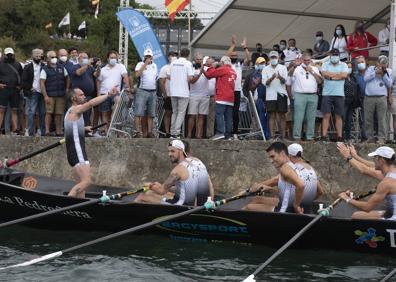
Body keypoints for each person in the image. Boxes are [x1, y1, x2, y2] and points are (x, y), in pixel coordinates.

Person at [65, 87, 119, 198]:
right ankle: (64, 206)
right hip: (77, 151)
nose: (84, 96)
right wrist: (108, 95)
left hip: (72, 153)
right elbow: (91, 103)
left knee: (81, 188)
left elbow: (70, 126)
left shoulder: (69, 112)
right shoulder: (76, 109)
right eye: (81, 95)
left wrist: (83, 128)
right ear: (73, 98)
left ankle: (79, 211)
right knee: (87, 182)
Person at [245, 142, 308, 214]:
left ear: (282, 154)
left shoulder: (285, 168)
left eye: (272, 156)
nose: (271, 161)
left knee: (248, 207)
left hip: (286, 209)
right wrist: (249, 190)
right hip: (289, 203)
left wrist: (296, 205)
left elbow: (300, 186)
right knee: (257, 199)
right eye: (270, 157)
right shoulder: (295, 166)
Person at [337, 144, 396, 220]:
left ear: (382, 160)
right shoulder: (391, 173)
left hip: (393, 219)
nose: (374, 160)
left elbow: (367, 207)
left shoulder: (386, 182)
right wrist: (355, 156)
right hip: (391, 213)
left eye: (375, 158)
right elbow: (368, 167)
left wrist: (347, 198)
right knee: (357, 214)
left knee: (356, 216)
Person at [134, 140, 198, 205]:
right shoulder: (197, 164)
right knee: (150, 193)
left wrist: (153, 186)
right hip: (191, 200)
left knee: (142, 196)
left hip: (185, 204)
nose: (170, 154)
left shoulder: (180, 168)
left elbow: (161, 191)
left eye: (173, 151)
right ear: (190, 150)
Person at [290, 53, 322, 141]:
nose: (307, 62)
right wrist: (294, 66)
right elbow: (289, 75)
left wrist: (311, 71)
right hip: (300, 95)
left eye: (308, 60)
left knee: (311, 117)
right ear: (302, 60)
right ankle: (297, 137)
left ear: (311, 60)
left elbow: (319, 81)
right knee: (298, 117)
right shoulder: (297, 69)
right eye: (305, 60)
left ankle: (310, 137)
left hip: (313, 95)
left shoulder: (315, 68)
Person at [96, 50, 130, 134]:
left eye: (115, 57)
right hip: (104, 93)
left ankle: (117, 129)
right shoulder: (103, 69)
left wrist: (127, 86)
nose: (113, 59)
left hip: (116, 93)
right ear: (108, 59)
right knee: (105, 113)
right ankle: (107, 132)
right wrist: (98, 94)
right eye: (111, 57)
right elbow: (98, 82)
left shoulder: (120, 66)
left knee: (118, 104)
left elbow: (125, 77)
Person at [203, 56, 236, 140]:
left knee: (219, 114)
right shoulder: (233, 71)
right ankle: (228, 134)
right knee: (228, 117)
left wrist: (212, 66)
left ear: (222, 62)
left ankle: (220, 132)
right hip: (231, 97)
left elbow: (210, 74)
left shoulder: (223, 69)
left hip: (222, 96)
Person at [320, 48, 348, 141]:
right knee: (326, 115)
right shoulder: (325, 64)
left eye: (336, 55)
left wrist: (331, 77)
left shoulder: (344, 64)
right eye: (333, 55)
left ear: (339, 55)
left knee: (338, 116)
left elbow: (344, 75)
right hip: (327, 93)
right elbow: (324, 74)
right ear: (330, 56)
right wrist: (337, 75)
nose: (334, 57)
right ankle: (324, 136)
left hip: (339, 94)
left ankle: (339, 136)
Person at [364, 55, 393, 143]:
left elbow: (390, 84)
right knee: (368, 118)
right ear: (377, 63)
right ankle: (369, 137)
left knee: (382, 118)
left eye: (384, 64)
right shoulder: (370, 69)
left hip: (382, 98)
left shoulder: (389, 71)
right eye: (380, 63)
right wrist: (375, 73)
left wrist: (383, 74)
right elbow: (365, 79)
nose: (381, 66)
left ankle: (381, 138)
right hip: (369, 97)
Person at [227, 35, 251, 139]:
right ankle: (227, 132)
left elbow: (249, 59)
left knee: (235, 113)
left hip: (236, 91)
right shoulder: (227, 64)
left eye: (235, 55)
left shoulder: (239, 64)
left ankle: (235, 132)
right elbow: (227, 55)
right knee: (227, 112)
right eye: (232, 56)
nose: (234, 57)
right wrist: (233, 45)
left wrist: (245, 47)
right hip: (228, 91)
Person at [40, 50, 69, 136]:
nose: (54, 58)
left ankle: (58, 131)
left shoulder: (61, 67)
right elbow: (42, 83)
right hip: (50, 95)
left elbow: (67, 77)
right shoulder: (45, 69)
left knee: (59, 114)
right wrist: (45, 96)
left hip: (60, 95)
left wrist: (67, 88)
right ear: (48, 58)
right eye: (52, 57)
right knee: (49, 113)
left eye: (55, 57)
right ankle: (47, 131)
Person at [262, 51, 288, 140]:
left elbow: (285, 81)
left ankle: (283, 136)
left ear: (278, 58)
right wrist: (271, 78)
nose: (274, 59)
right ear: (270, 59)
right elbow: (265, 83)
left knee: (282, 116)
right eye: (272, 57)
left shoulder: (283, 68)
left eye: (275, 57)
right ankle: (272, 136)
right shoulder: (265, 69)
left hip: (281, 94)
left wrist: (280, 77)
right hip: (270, 95)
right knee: (272, 115)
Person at [168, 48, 194, 138]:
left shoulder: (173, 63)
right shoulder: (188, 63)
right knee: (181, 113)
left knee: (174, 112)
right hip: (183, 92)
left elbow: (168, 75)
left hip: (173, 91)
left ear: (180, 54)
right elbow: (190, 78)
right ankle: (176, 132)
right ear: (188, 55)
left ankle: (172, 132)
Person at [70, 52, 99, 126]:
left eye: (87, 58)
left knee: (88, 114)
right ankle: (80, 128)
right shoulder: (75, 66)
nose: (86, 59)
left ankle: (87, 129)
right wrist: (87, 65)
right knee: (80, 113)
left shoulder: (90, 67)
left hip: (88, 95)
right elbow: (79, 72)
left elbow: (96, 74)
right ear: (79, 59)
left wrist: (98, 68)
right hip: (78, 96)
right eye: (84, 58)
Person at [21, 48, 46, 136]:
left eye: (40, 56)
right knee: (31, 112)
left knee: (43, 112)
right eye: (36, 56)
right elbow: (23, 80)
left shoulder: (44, 66)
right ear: (32, 56)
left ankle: (42, 131)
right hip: (33, 92)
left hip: (42, 92)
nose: (38, 57)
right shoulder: (28, 66)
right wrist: (29, 88)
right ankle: (29, 130)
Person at [134, 48, 158, 138]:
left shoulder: (155, 65)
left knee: (151, 113)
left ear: (152, 56)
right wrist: (145, 64)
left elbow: (155, 78)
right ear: (144, 56)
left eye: (150, 56)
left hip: (152, 91)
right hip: (142, 90)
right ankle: (138, 131)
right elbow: (137, 75)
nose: (148, 58)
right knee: (139, 112)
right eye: (146, 56)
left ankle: (149, 132)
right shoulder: (139, 64)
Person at [182, 140, 214, 205]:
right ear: (190, 150)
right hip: (204, 200)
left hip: (196, 204)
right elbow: (210, 184)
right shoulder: (198, 161)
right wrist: (211, 200)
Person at [0, 47, 22, 135]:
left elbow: (22, 76)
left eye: (11, 54)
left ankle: (15, 130)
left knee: (14, 110)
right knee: (1, 110)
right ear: (5, 55)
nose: (10, 56)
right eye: (8, 54)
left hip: (14, 90)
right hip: (4, 89)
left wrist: (20, 86)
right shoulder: (0, 64)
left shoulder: (18, 65)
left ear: (13, 54)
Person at [187, 53, 210, 139]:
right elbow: (192, 81)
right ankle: (189, 134)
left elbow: (210, 77)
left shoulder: (207, 69)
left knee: (201, 116)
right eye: (197, 59)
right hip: (193, 95)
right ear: (194, 60)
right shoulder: (191, 69)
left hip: (205, 96)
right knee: (192, 115)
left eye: (200, 59)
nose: (199, 61)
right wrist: (200, 73)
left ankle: (198, 134)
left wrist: (203, 71)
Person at [159, 51, 177, 137]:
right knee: (168, 113)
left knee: (177, 113)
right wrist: (165, 94)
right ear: (168, 57)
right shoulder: (164, 68)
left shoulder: (179, 67)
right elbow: (161, 82)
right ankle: (167, 132)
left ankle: (175, 131)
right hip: (169, 95)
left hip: (177, 94)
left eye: (175, 56)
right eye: (171, 56)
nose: (173, 57)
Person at [343, 61, 360, 141]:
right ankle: (340, 137)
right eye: (347, 67)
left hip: (352, 101)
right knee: (343, 119)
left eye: (350, 67)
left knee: (349, 120)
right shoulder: (342, 77)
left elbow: (356, 88)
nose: (349, 69)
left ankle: (348, 137)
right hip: (343, 100)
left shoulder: (353, 78)